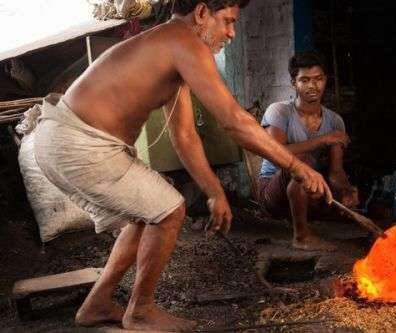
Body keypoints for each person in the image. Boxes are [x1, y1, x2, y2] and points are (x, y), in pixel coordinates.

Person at [33, 1, 334, 331]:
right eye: (228, 22)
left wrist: (215, 191)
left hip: (62, 141)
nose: (232, 32)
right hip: (78, 141)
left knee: (144, 215)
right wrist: (298, 167)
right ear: (202, 13)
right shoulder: (185, 41)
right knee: (170, 210)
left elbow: (185, 135)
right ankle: (141, 311)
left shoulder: (173, 46)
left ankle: (98, 304)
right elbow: (234, 121)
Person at [257, 52, 359, 252]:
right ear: (294, 83)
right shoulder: (279, 111)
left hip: (312, 192)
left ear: (325, 81)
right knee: (302, 162)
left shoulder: (335, 121)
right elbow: (276, 153)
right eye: (305, 80)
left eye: (318, 79)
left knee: (348, 199)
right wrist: (324, 139)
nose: (313, 86)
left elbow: (335, 172)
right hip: (273, 193)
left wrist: (345, 189)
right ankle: (301, 237)